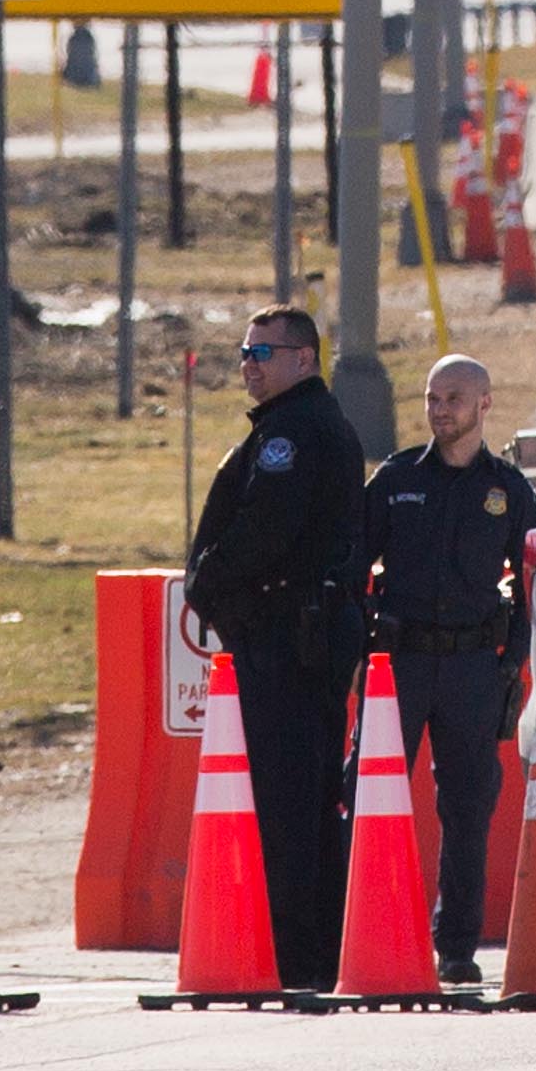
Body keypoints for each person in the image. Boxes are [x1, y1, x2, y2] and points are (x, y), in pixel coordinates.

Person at [183, 301, 367, 985]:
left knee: (289, 801)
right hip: (296, 638)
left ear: (302, 360)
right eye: (243, 352)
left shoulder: (295, 434)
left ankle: (298, 953)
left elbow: (266, 531)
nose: (247, 365)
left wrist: (207, 578)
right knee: (299, 797)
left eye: (262, 353)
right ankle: (307, 947)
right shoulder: (296, 426)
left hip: (289, 641)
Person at [360, 351, 536, 982]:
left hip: (472, 667)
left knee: (468, 809)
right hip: (402, 661)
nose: (440, 411)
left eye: (454, 399)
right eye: (433, 399)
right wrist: (364, 650)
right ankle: (365, 935)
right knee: (369, 797)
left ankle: (456, 948)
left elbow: (531, 585)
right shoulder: (397, 479)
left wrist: (511, 668)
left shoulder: (509, 492)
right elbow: (354, 562)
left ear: (484, 404)